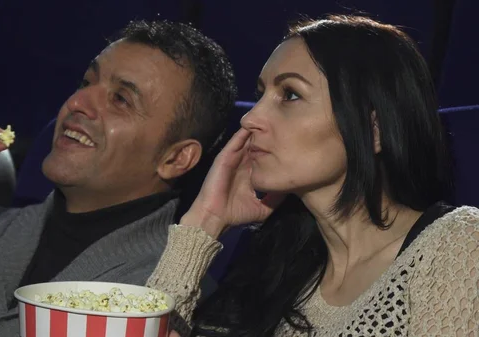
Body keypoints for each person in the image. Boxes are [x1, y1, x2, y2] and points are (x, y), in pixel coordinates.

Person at [0, 20, 237, 336]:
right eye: (86, 82)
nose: (78, 103)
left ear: (176, 158)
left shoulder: (176, 301)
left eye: (121, 100)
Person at [148, 15, 479, 336]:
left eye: (290, 95)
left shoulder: (458, 243)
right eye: (261, 94)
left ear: (373, 129)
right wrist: (205, 220)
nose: (250, 118)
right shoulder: (274, 269)